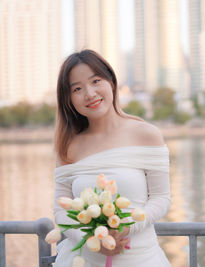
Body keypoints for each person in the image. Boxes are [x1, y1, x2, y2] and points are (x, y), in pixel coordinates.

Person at [53, 49, 171, 267]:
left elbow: (161, 198)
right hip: (85, 260)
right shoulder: (68, 147)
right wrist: (90, 239)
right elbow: (60, 210)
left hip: (140, 258)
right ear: (68, 99)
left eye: (96, 81)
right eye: (77, 89)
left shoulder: (146, 134)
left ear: (111, 82)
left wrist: (127, 226)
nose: (89, 93)